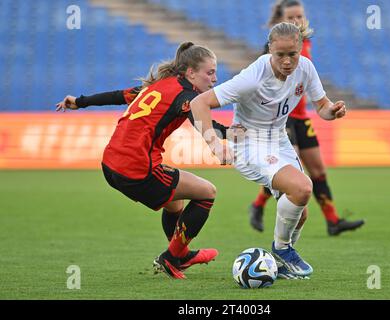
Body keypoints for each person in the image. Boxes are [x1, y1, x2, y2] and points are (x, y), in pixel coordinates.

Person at [55, 42, 227, 279]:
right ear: (190, 72)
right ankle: (173, 257)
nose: (215, 79)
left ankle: (181, 254)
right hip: (137, 168)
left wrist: (80, 101)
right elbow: (203, 123)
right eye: (210, 72)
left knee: (174, 204)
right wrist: (234, 133)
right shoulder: (186, 96)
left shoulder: (155, 86)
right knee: (208, 192)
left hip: (110, 164)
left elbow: (118, 95)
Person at [190, 22, 348, 279]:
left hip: (279, 140)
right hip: (249, 143)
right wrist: (215, 144)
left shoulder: (305, 68)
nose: (287, 61)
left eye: (292, 54)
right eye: (280, 55)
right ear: (270, 50)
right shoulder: (253, 77)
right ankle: (282, 250)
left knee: (300, 212)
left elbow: (322, 106)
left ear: (300, 49)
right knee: (303, 187)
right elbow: (199, 103)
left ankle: (283, 261)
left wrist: (332, 111)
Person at [249, 0, 365, 237]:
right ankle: (261, 207)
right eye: (291, 17)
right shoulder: (273, 49)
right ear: (281, 21)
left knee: (318, 169)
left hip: (302, 117)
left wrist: (328, 107)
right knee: (288, 170)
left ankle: (332, 221)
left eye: (299, 16)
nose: (296, 21)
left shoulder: (306, 45)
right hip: (282, 118)